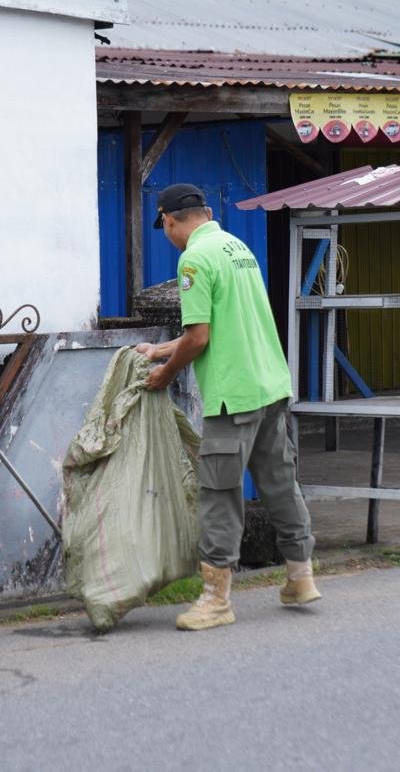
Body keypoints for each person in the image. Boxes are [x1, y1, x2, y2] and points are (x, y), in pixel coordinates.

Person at [136, 184, 320, 632]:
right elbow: (223, 324)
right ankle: (300, 578)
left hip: (231, 394)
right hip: (270, 385)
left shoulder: (193, 259)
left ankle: (216, 599)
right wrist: (159, 351)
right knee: (280, 482)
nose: (166, 233)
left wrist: (164, 375)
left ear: (170, 220)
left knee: (219, 494)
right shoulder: (237, 247)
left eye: (163, 225)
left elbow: (200, 337)